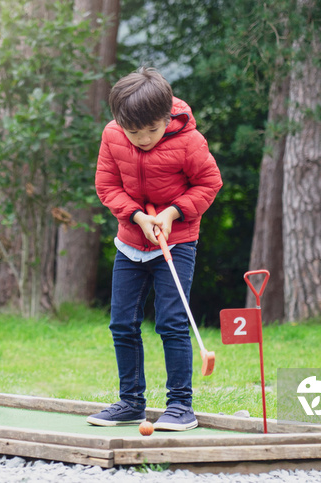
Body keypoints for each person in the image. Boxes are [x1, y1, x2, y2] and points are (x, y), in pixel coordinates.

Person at [88, 67, 222, 431]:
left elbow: (209, 183)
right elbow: (107, 185)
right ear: (119, 122)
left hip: (176, 242)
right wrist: (135, 215)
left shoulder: (190, 141)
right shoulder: (113, 136)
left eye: (152, 130)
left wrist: (172, 212)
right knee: (122, 324)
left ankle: (180, 405)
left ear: (167, 116)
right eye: (134, 132)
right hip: (131, 243)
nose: (143, 138)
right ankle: (131, 402)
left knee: (172, 323)